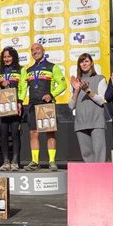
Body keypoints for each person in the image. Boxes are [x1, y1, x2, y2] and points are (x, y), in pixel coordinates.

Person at [24, 43, 67, 171]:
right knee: (33, 133)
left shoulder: (52, 67)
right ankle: (35, 161)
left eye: (37, 49)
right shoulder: (28, 70)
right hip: (32, 103)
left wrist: (51, 94)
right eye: (32, 50)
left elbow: (62, 85)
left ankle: (52, 161)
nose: (34, 52)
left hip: (46, 103)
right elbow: (22, 88)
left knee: (50, 133)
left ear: (43, 50)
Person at [0, 47, 27, 171]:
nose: (7, 59)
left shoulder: (21, 70)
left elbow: (23, 87)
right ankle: (6, 161)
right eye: (5, 57)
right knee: (3, 134)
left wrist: (20, 102)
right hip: (2, 105)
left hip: (15, 105)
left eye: (9, 56)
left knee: (15, 133)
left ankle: (15, 161)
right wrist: (1, 85)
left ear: (14, 57)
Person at [68, 54, 107, 163]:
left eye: (86, 61)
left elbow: (102, 100)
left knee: (99, 154)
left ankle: (100, 178)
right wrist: (76, 90)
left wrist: (87, 90)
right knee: (86, 155)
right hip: (81, 122)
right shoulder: (76, 82)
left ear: (92, 63)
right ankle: (90, 178)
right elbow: (71, 105)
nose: (84, 64)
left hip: (96, 122)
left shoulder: (100, 79)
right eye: (81, 62)